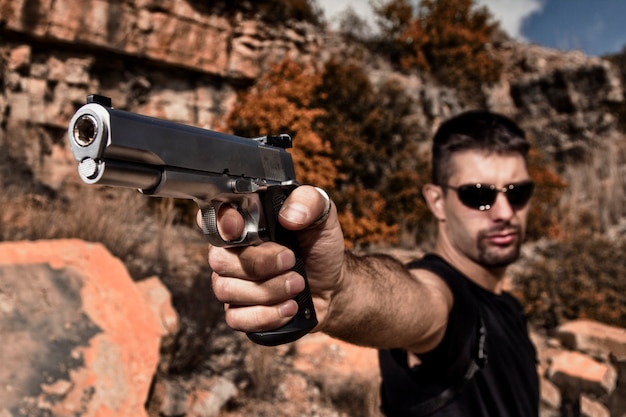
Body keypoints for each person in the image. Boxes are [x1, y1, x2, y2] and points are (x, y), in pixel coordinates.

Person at [206, 110, 540, 416]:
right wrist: (339, 290)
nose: (505, 213)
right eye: (479, 196)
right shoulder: (446, 296)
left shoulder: (509, 307)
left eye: (518, 193)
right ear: (437, 201)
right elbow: (418, 303)